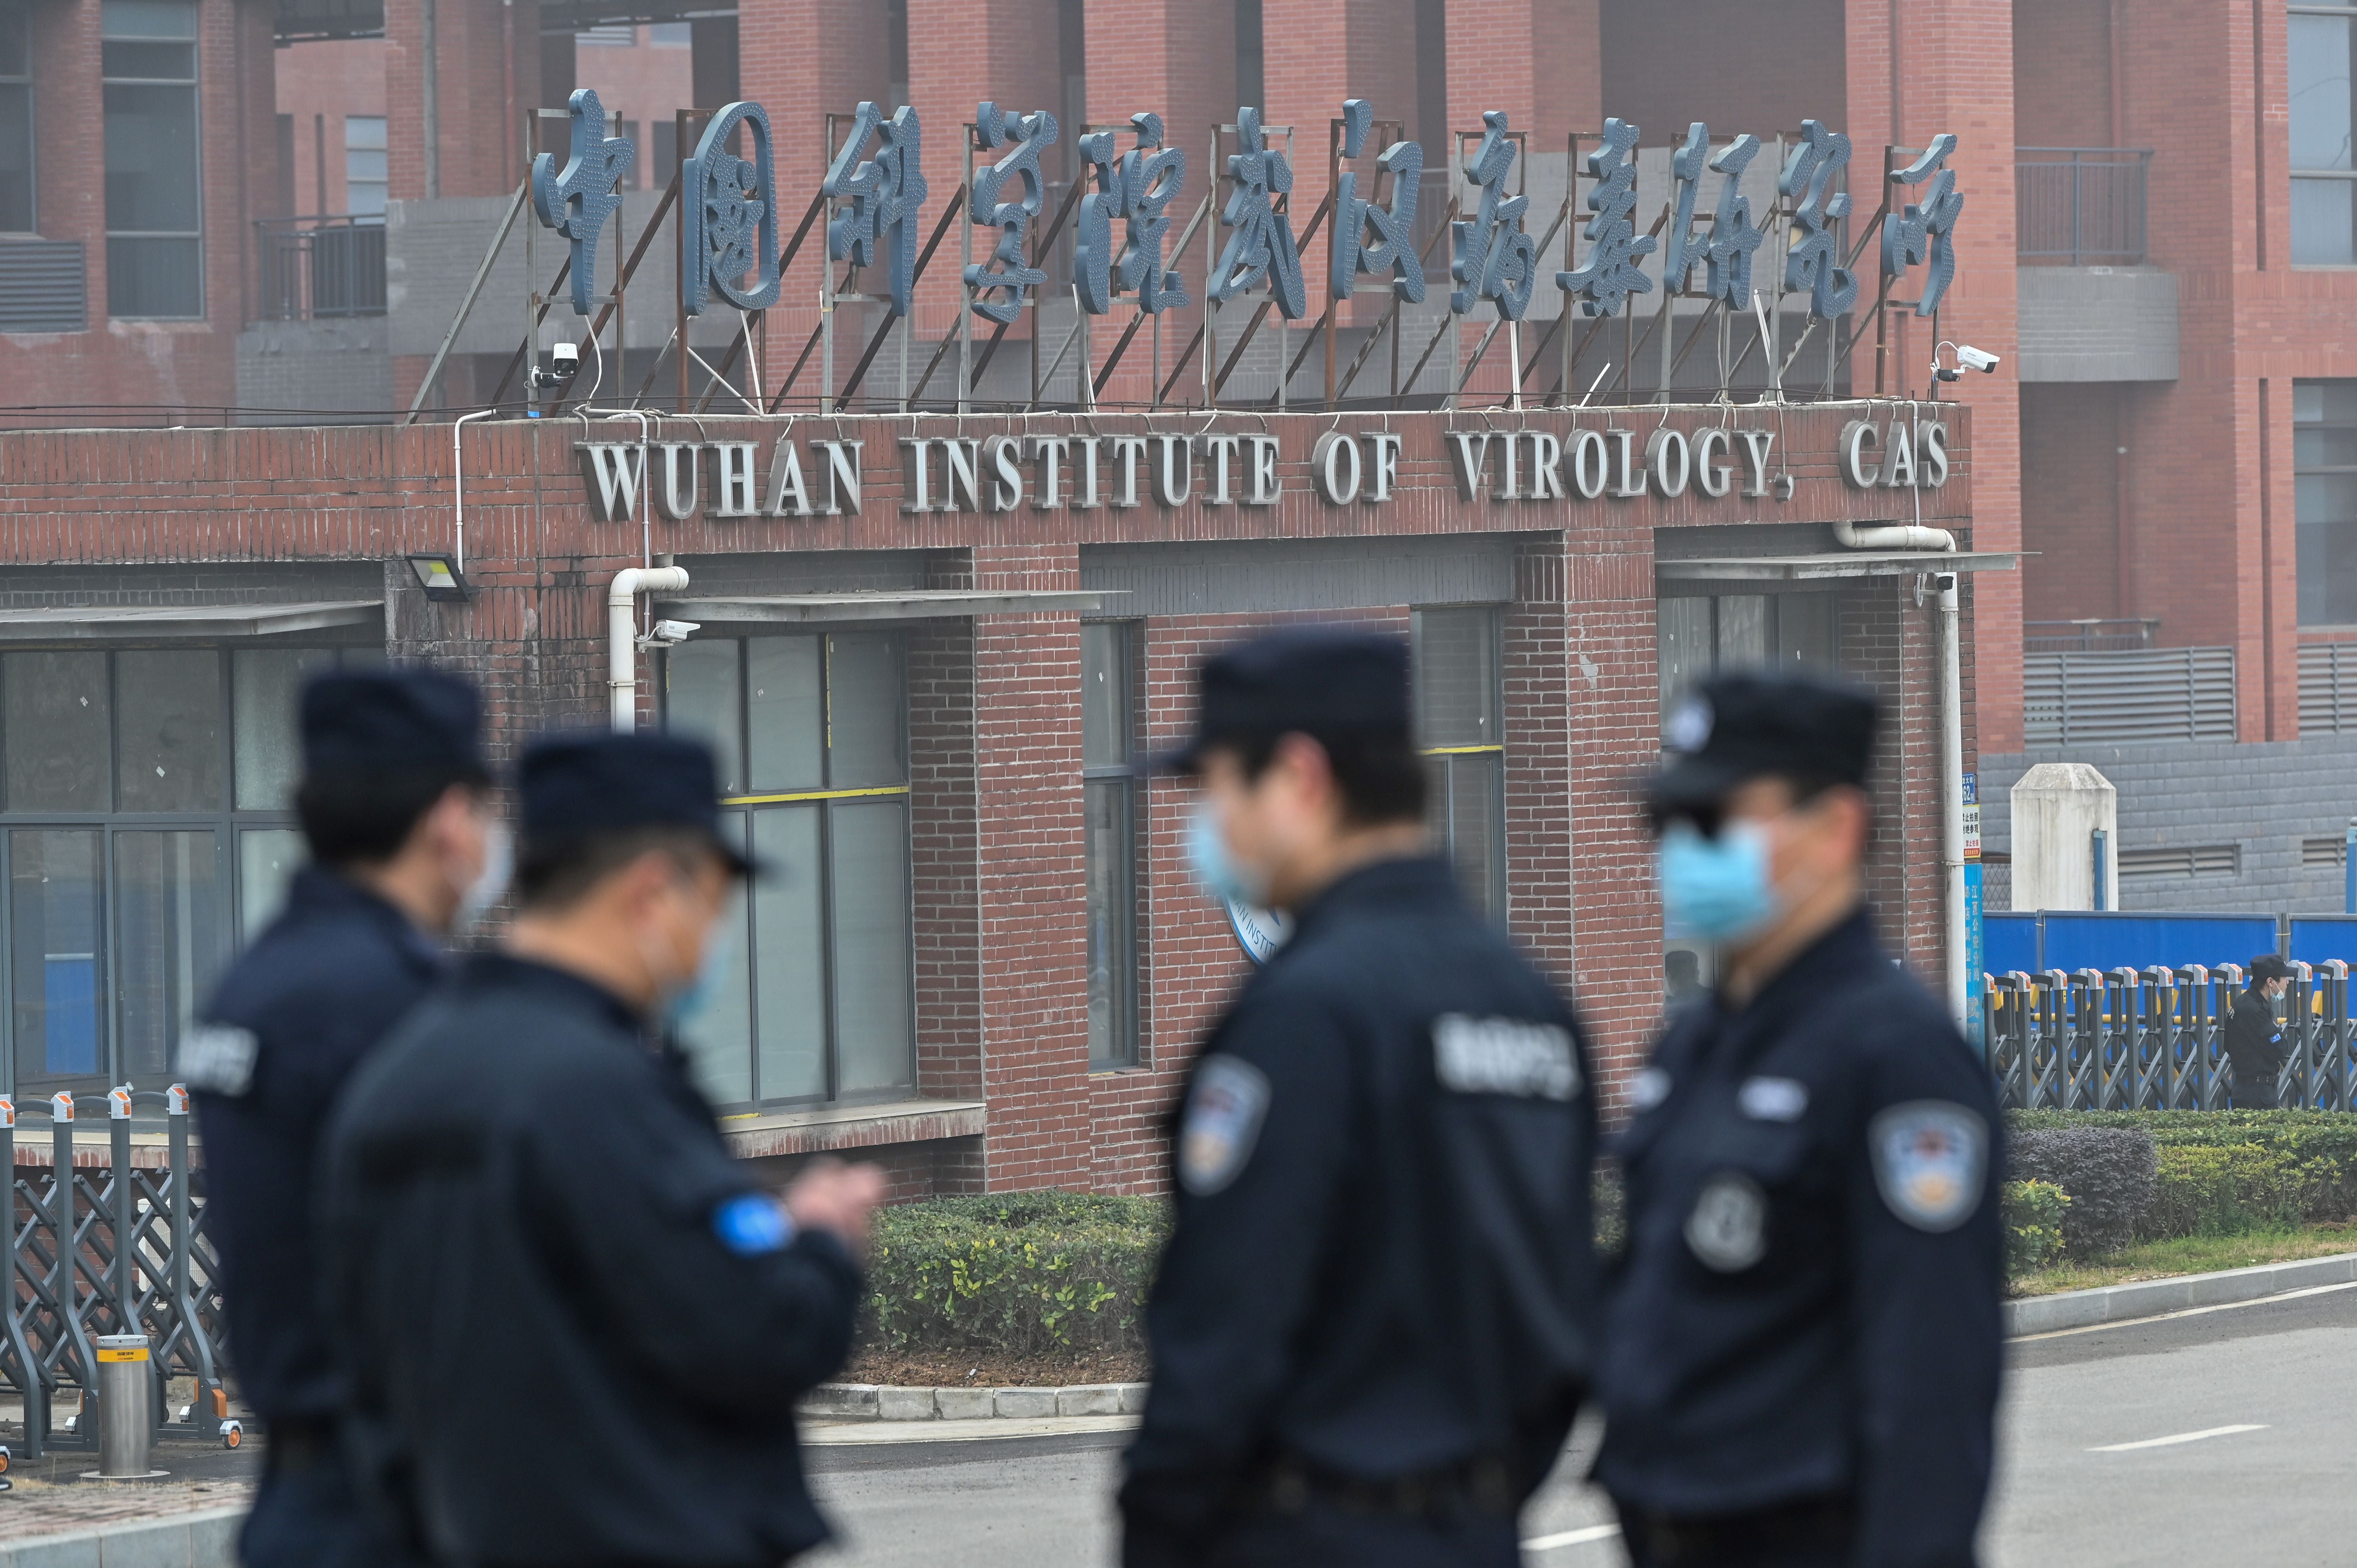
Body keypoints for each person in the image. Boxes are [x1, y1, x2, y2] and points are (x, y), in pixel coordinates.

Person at [318, 730, 881, 1568]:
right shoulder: (601, 1091)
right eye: (712, 901)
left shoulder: (392, 1077)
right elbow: (756, 1330)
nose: (714, 933)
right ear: (651, 891)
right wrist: (822, 1244)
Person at [1119, 627, 1599, 1568]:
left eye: (1216, 786)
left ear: (1300, 778)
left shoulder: (1305, 1014)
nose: (1205, 823)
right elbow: (1562, 1315)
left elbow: (1223, 1330)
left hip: (1305, 1531)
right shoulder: (1531, 1001)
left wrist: (1161, 1528)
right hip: (1476, 1531)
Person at [1597, 669, 2002, 1568]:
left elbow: (1932, 1370)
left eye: (1714, 821)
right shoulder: (1695, 1045)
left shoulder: (1897, 1055)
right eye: (1667, 822)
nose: (1681, 849)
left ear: (1835, 828)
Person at [181, 667, 496, 1568]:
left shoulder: (256, 981)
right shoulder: (400, 1002)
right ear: (447, 818)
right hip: (408, 1503)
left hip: (302, 1495)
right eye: (484, 809)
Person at [2224, 954, 2295, 1109]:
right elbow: (2281, 1049)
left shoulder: (2241, 1002)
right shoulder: (2255, 1011)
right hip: (2259, 1096)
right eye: (2284, 978)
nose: (2288, 982)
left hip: (2243, 1090)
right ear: (2270, 982)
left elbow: (2227, 1045)